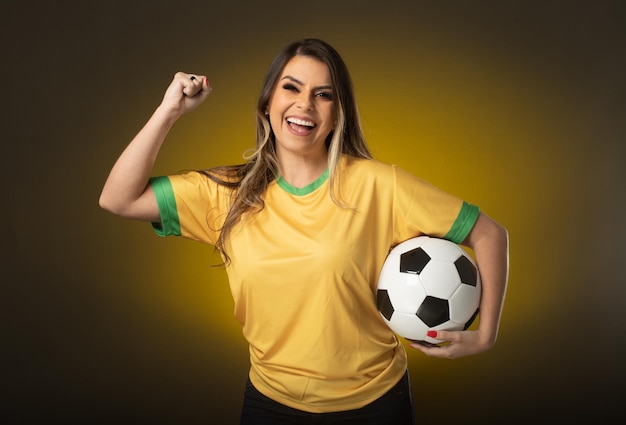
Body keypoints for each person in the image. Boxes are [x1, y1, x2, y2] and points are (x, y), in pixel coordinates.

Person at [99, 38, 509, 424]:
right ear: (267, 103)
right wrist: (169, 110)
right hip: (271, 405)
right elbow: (118, 198)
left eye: (323, 94)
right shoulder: (225, 195)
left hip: (375, 404)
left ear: (337, 112)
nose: (305, 105)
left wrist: (486, 333)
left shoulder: (379, 185)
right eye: (291, 88)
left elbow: (489, 233)